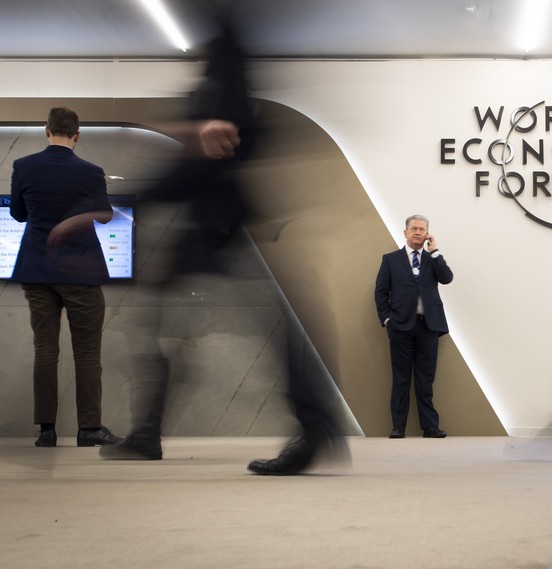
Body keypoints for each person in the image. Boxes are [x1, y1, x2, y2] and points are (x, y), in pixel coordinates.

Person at [99, 19, 348, 476]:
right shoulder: (222, 78)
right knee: (172, 322)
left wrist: (149, 190)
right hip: (215, 227)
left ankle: (312, 423)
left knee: (272, 325)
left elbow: (212, 152)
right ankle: (148, 432)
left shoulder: (224, 76)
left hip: (221, 226)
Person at [10, 106, 119, 448]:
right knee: (86, 352)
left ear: (46, 130)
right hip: (81, 272)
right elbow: (103, 218)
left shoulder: (24, 167)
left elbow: (17, 214)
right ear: (77, 134)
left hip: (38, 268)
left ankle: (46, 430)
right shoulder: (90, 172)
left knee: (45, 349)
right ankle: (89, 429)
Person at [375, 214, 454, 439]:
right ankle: (398, 427)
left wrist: (435, 251)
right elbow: (381, 292)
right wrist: (387, 319)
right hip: (400, 327)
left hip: (429, 327)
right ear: (405, 232)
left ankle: (430, 427)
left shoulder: (432, 259)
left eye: (422, 229)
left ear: (427, 233)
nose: (418, 232)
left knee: (425, 379)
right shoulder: (390, 259)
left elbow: (447, 278)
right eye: (414, 229)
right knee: (401, 378)